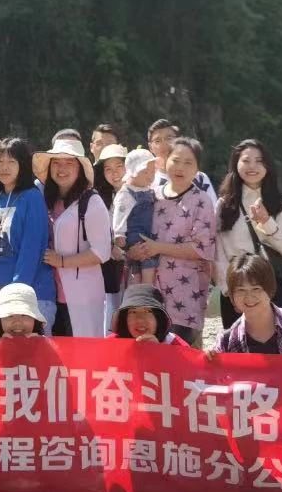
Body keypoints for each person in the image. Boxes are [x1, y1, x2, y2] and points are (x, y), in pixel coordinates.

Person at [128, 137, 216, 348]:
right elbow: (133, 231)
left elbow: (202, 248)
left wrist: (157, 248)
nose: (180, 167)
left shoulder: (201, 200)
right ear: (165, 161)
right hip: (149, 292)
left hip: (184, 294)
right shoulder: (151, 196)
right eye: (175, 160)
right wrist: (132, 251)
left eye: (188, 162)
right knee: (148, 352)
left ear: (197, 169)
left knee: (180, 354)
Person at [215, 139, 282, 327]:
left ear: (268, 165)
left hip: (272, 283)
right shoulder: (224, 204)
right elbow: (218, 252)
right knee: (236, 342)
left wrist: (267, 223)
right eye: (246, 161)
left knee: (278, 339)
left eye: (259, 161)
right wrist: (227, 289)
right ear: (236, 164)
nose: (252, 166)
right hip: (236, 285)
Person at [36, 138, 112, 337]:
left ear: (80, 168)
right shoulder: (48, 200)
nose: (62, 168)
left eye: (69, 163)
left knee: (82, 350)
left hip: (82, 295)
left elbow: (102, 252)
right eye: (56, 162)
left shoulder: (92, 202)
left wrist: (62, 261)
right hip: (50, 293)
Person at [0, 138, 57, 330]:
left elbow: (32, 249)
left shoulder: (32, 197)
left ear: (23, 165)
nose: (4, 167)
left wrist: (16, 292)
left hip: (33, 296)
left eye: (11, 161)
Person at [92, 143, 128, 333]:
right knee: (111, 311)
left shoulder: (142, 193)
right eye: (108, 169)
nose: (114, 173)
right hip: (109, 266)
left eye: (119, 166)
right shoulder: (99, 198)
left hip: (137, 264)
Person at [113, 149, 159, 286]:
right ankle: (146, 289)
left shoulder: (148, 190)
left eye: (152, 171)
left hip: (148, 235)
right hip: (136, 236)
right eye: (145, 172)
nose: (150, 176)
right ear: (133, 172)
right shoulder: (126, 193)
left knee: (140, 266)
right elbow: (120, 214)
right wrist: (119, 233)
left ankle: (142, 286)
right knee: (146, 260)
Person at [146, 119, 217, 207]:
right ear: (150, 147)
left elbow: (212, 210)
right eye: (157, 141)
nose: (164, 144)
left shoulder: (199, 178)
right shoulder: (147, 181)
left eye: (169, 138)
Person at [109, 284, 188, 344]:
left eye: (148, 311)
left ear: (158, 318)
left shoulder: (175, 344)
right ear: (124, 319)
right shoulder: (111, 344)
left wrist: (159, 351)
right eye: (133, 312)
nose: (140, 319)